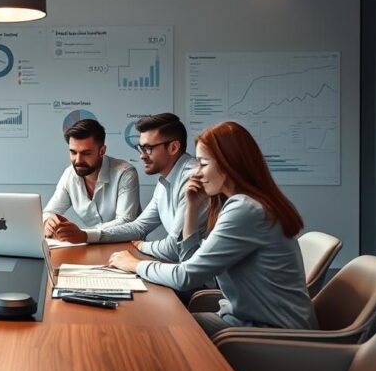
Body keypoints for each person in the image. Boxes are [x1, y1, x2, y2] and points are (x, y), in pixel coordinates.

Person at [108, 121, 317, 338]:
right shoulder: (240, 204)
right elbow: (189, 264)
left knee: (159, 328)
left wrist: (135, 265)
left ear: (227, 164)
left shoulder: (245, 209)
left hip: (272, 333)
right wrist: (192, 208)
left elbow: (186, 277)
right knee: (162, 321)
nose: (196, 173)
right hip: (242, 320)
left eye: (203, 163)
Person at [93, 114, 207, 268]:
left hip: (202, 284)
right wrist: (88, 234)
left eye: (148, 148)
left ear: (173, 147)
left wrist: (141, 245)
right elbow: (139, 227)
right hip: (179, 271)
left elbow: (174, 248)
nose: (142, 155)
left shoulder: (193, 180)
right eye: (141, 147)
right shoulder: (165, 180)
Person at [42, 118, 140, 242]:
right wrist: (48, 221)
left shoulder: (125, 173)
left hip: (129, 245)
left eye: (86, 153)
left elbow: (126, 221)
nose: (78, 160)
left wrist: (83, 234)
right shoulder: (69, 174)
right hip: (91, 246)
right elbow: (49, 211)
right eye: (73, 152)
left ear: (102, 151)